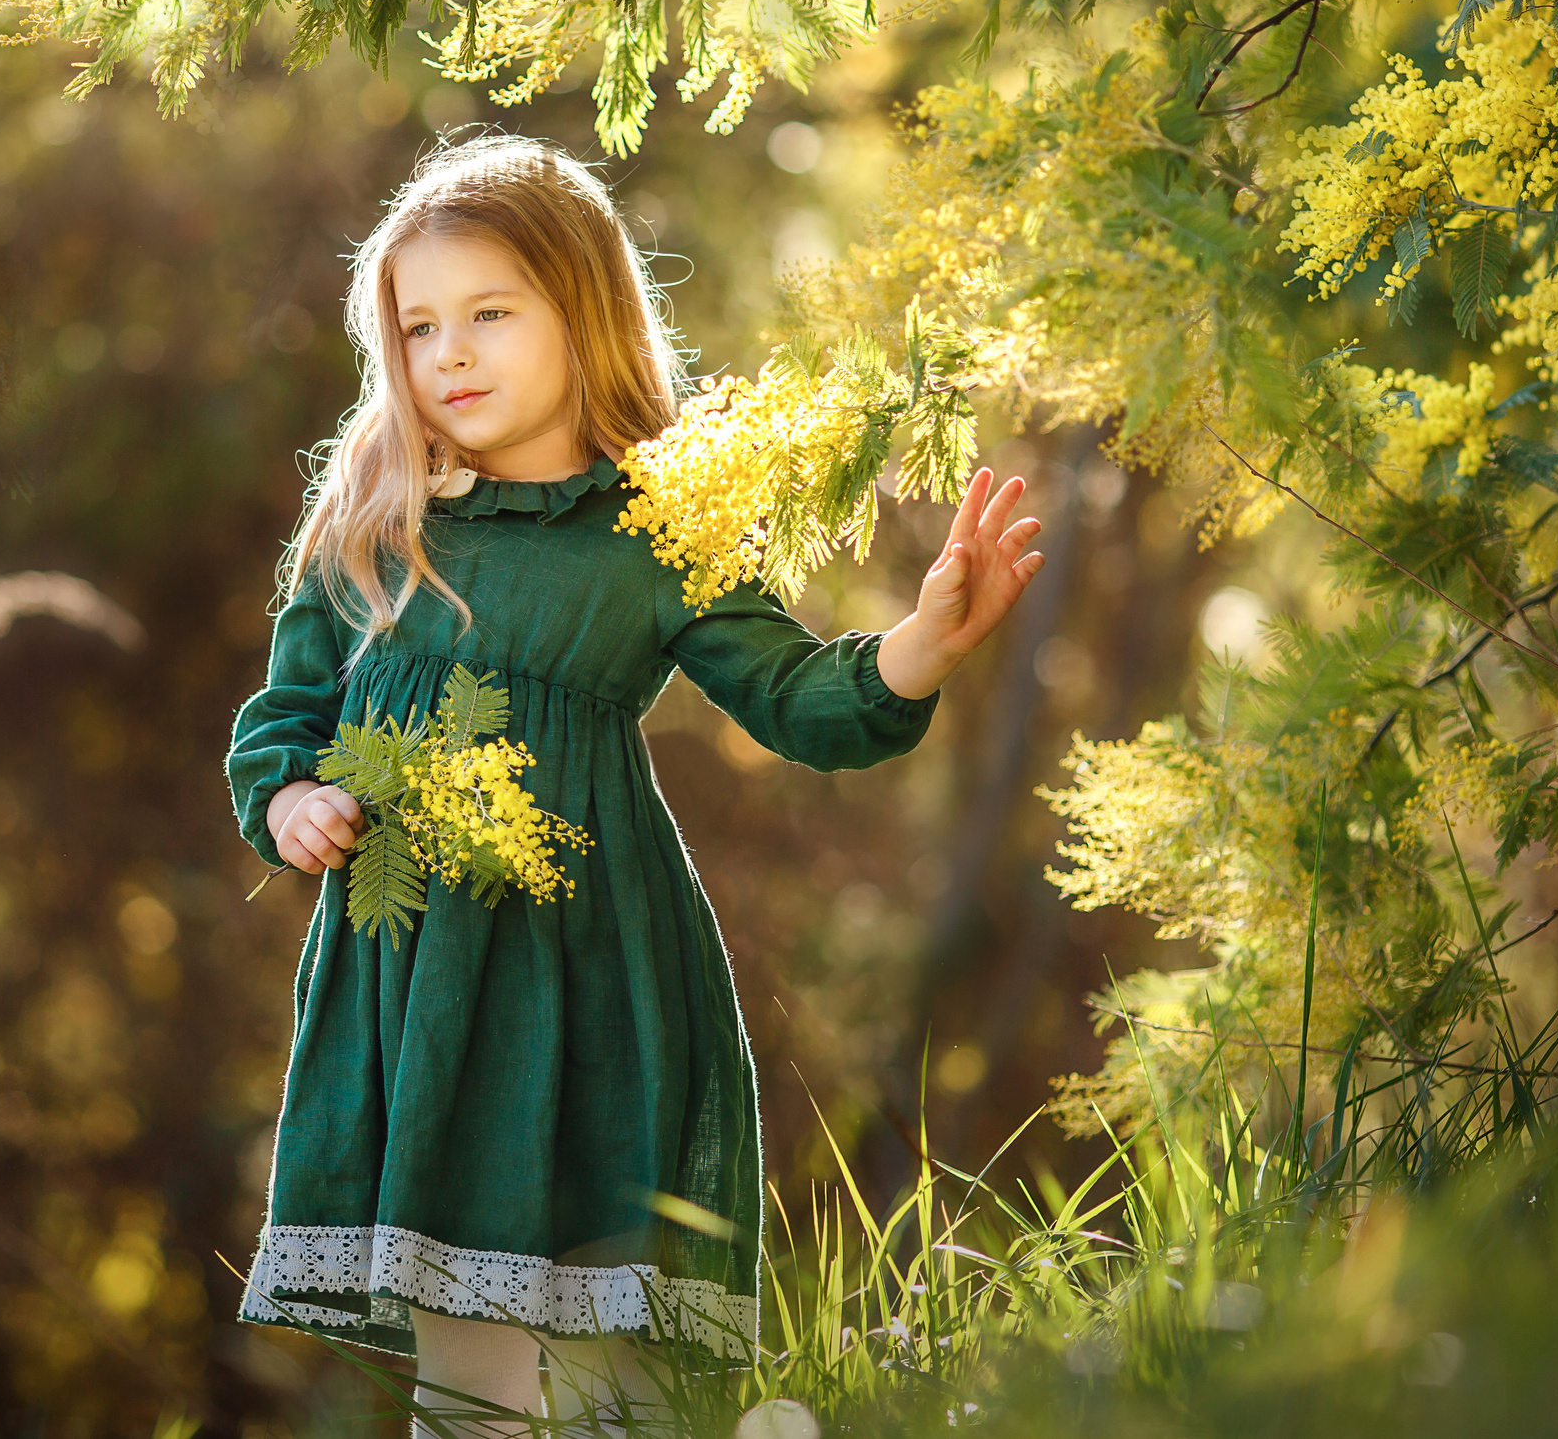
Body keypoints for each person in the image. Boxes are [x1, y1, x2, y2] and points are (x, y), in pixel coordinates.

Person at [226, 133, 1044, 1437]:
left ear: (584, 309)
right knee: (464, 1376)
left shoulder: (658, 524)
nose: (451, 354)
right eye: (420, 324)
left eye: (491, 314)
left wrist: (925, 642)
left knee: (624, 1364)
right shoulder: (375, 516)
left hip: (593, 966)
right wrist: (289, 802)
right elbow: (285, 712)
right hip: (416, 988)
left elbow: (796, 697)